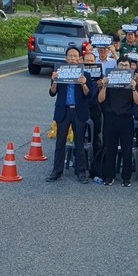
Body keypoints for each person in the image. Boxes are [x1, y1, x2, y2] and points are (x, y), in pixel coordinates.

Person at [46, 45, 95, 184]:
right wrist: (54, 80)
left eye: (75, 56)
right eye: (70, 56)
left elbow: (89, 95)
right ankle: (56, 171)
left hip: (79, 111)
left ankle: (81, 172)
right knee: (60, 143)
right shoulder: (59, 72)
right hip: (64, 111)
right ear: (66, 58)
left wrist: (84, 84)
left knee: (79, 143)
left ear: (79, 59)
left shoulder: (86, 75)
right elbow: (52, 93)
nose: (73, 59)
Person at [97, 57, 138, 187]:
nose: (123, 67)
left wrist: (133, 88)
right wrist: (104, 85)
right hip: (110, 118)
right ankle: (109, 176)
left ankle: (126, 177)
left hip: (126, 119)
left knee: (127, 149)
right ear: (116, 67)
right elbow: (100, 99)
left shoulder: (133, 82)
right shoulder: (110, 79)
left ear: (130, 68)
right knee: (110, 148)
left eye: (126, 65)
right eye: (121, 65)